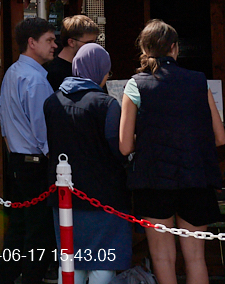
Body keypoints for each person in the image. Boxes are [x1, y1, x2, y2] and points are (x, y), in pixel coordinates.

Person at [119, 20, 225, 284]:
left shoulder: (135, 84)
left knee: (163, 258)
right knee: (196, 258)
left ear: (144, 49)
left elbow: (124, 145)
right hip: (195, 179)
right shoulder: (199, 81)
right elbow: (220, 137)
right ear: (175, 48)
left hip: (153, 180)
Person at [43, 43, 130, 284]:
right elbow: (118, 149)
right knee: (103, 265)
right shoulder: (108, 105)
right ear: (102, 70)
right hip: (104, 198)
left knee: (70, 263)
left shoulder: (52, 101)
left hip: (64, 197)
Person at [0, 18, 58, 284]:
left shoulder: (13, 72)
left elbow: (0, 109)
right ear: (32, 43)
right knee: (39, 230)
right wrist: (53, 159)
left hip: (17, 159)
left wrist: (10, 142)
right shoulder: (36, 80)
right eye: (49, 40)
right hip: (36, 161)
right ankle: (31, 279)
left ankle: (3, 278)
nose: (54, 45)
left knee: (19, 226)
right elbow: (43, 130)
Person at [44, 15, 99, 90]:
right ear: (71, 42)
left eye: (94, 42)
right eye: (88, 43)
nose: (92, 47)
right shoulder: (55, 73)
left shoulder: (86, 66)